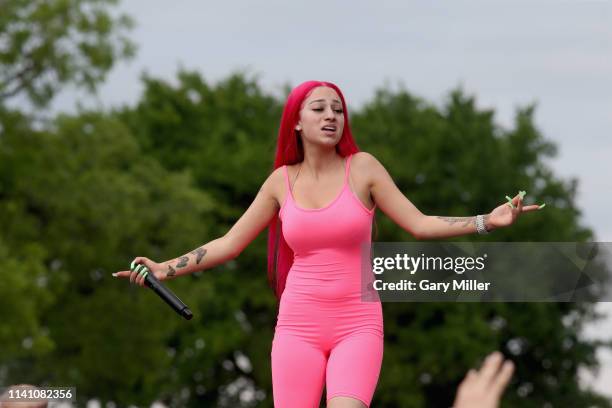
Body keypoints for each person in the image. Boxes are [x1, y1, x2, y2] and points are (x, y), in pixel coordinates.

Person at [114, 80, 540, 407]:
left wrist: (488, 220)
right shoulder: (281, 182)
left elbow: (421, 224)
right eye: (319, 108)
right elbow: (229, 243)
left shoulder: (364, 169)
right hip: (297, 325)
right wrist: (163, 268)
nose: (331, 115)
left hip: (358, 323)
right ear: (297, 121)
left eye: (338, 109)